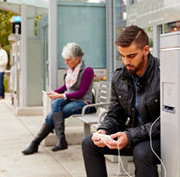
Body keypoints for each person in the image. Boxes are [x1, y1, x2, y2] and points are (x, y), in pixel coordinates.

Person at [81, 25, 160, 177]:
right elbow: (115, 114)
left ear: (146, 50)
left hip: (161, 137)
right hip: (133, 134)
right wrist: (103, 130)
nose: (126, 61)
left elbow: (167, 121)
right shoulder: (120, 76)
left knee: (142, 152)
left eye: (131, 56)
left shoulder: (163, 73)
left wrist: (130, 136)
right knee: (89, 143)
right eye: (122, 56)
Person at [22, 42, 94, 154]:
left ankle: (36, 143)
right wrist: (55, 92)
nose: (66, 62)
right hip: (70, 99)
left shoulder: (87, 71)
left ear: (77, 59)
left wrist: (61, 95)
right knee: (56, 104)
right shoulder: (70, 70)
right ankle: (60, 140)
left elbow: (81, 93)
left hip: (84, 103)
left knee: (54, 114)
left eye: (68, 60)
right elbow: (66, 86)